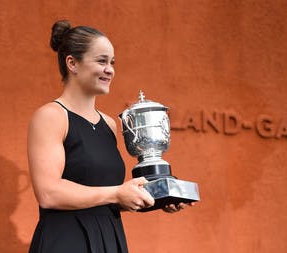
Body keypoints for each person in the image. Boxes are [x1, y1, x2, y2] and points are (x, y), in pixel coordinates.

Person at [27, 20, 191, 253]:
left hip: (109, 239)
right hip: (66, 241)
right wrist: (116, 192)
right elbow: (48, 193)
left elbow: (106, 199)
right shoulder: (51, 116)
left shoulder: (109, 124)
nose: (110, 69)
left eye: (112, 62)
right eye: (102, 61)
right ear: (72, 63)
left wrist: (158, 197)